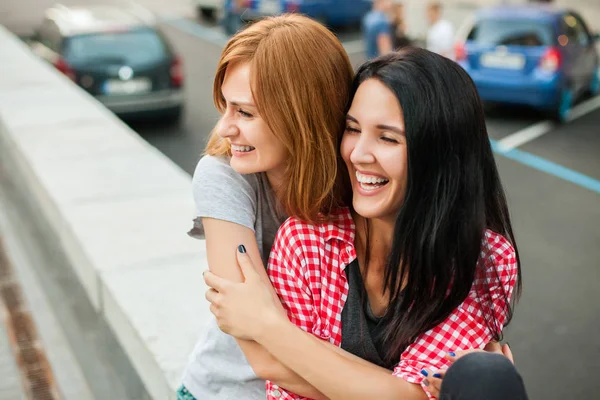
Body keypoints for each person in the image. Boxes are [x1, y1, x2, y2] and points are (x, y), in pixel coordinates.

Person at [203, 48, 523, 400]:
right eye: (353, 129)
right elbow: (281, 383)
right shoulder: (304, 241)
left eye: (387, 137)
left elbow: (415, 396)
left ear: (441, 154)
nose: (357, 155)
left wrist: (268, 324)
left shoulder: (486, 262)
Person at [178, 14, 354, 400]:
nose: (225, 128)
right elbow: (264, 358)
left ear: (302, 116)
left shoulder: (359, 180)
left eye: (245, 112)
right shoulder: (223, 176)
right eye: (225, 106)